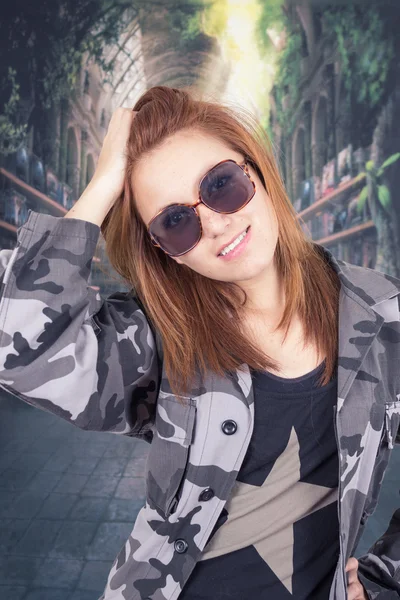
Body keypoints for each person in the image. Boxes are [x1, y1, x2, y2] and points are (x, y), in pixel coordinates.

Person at [0, 85, 399, 600]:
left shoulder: (383, 314)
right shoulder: (160, 341)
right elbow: (19, 348)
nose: (213, 223)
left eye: (222, 185)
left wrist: (384, 576)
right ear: (167, 253)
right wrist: (102, 185)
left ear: (255, 169)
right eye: (175, 221)